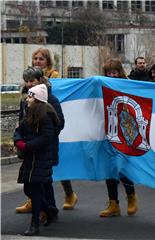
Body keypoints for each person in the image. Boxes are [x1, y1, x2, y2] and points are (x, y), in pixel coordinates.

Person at [16, 60, 77, 214]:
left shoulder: (51, 99)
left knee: (44, 181)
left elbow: (59, 123)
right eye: (27, 81)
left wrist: (44, 138)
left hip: (45, 147)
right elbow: (21, 122)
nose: (29, 84)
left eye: (32, 81)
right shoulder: (25, 100)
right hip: (30, 147)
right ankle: (43, 208)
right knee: (31, 181)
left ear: (40, 80)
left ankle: (48, 209)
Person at [14, 84, 60, 236]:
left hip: (41, 159)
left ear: (37, 99)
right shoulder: (29, 114)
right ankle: (49, 210)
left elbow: (46, 138)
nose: (27, 99)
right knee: (28, 189)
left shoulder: (46, 116)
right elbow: (19, 130)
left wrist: (27, 146)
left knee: (35, 190)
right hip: (30, 159)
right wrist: (18, 140)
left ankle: (35, 224)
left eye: (30, 96)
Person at [99, 58, 138, 217]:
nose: (111, 75)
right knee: (110, 168)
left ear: (119, 72)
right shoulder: (102, 86)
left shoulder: (127, 85)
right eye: (108, 72)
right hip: (109, 132)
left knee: (123, 168)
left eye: (114, 72)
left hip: (125, 133)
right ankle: (113, 203)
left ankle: (131, 197)